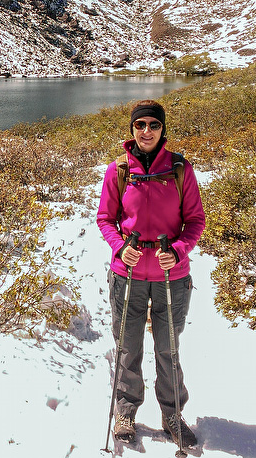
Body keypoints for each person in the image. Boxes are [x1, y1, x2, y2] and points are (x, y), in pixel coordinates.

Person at [97, 99, 205, 448]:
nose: (146, 131)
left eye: (153, 125)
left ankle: (172, 414)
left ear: (163, 129)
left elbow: (195, 221)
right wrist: (119, 246)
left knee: (168, 349)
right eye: (140, 124)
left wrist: (177, 250)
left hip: (170, 277)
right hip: (127, 275)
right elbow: (105, 219)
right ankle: (126, 411)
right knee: (127, 348)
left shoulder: (180, 170)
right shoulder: (118, 170)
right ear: (132, 129)